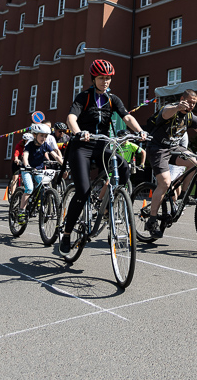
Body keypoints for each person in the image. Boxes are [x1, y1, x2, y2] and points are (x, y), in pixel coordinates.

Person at [58, 59, 147, 255]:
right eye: (101, 78)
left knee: (123, 168)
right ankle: (66, 233)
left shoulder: (112, 99)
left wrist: (140, 131)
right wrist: (78, 131)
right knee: (83, 191)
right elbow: (71, 117)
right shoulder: (84, 97)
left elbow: (127, 116)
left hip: (102, 145)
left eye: (108, 78)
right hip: (82, 146)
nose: (105, 81)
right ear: (93, 78)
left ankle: (107, 206)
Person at [144, 89, 197, 238]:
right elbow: (165, 113)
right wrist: (177, 107)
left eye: (194, 103)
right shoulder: (171, 109)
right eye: (188, 101)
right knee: (164, 183)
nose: (191, 105)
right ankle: (151, 220)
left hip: (174, 148)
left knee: (194, 161)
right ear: (182, 98)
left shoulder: (191, 117)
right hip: (157, 148)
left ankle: (183, 196)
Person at [18, 124, 58, 222]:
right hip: (27, 170)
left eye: (45, 136)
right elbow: (25, 156)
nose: (44, 138)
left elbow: (56, 156)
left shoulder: (45, 145)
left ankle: (38, 203)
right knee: (29, 189)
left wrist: (63, 164)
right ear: (35, 135)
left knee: (44, 185)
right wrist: (27, 165)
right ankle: (21, 211)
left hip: (38, 170)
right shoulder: (29, 145)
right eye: (41, 135)